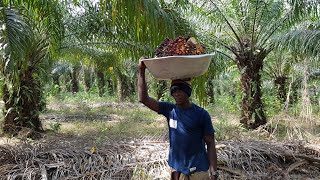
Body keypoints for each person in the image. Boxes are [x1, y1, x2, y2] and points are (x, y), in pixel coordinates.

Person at [138, 60, 219, 180]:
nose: (176, 93)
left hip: (198, 170)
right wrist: (141, 70)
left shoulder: (201, 114)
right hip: (177, 168)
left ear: (188, 92)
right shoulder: (169, 110)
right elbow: (143, 99)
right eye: (173, 90)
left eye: (180, 89)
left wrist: (213, 170)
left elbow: (210, 142)